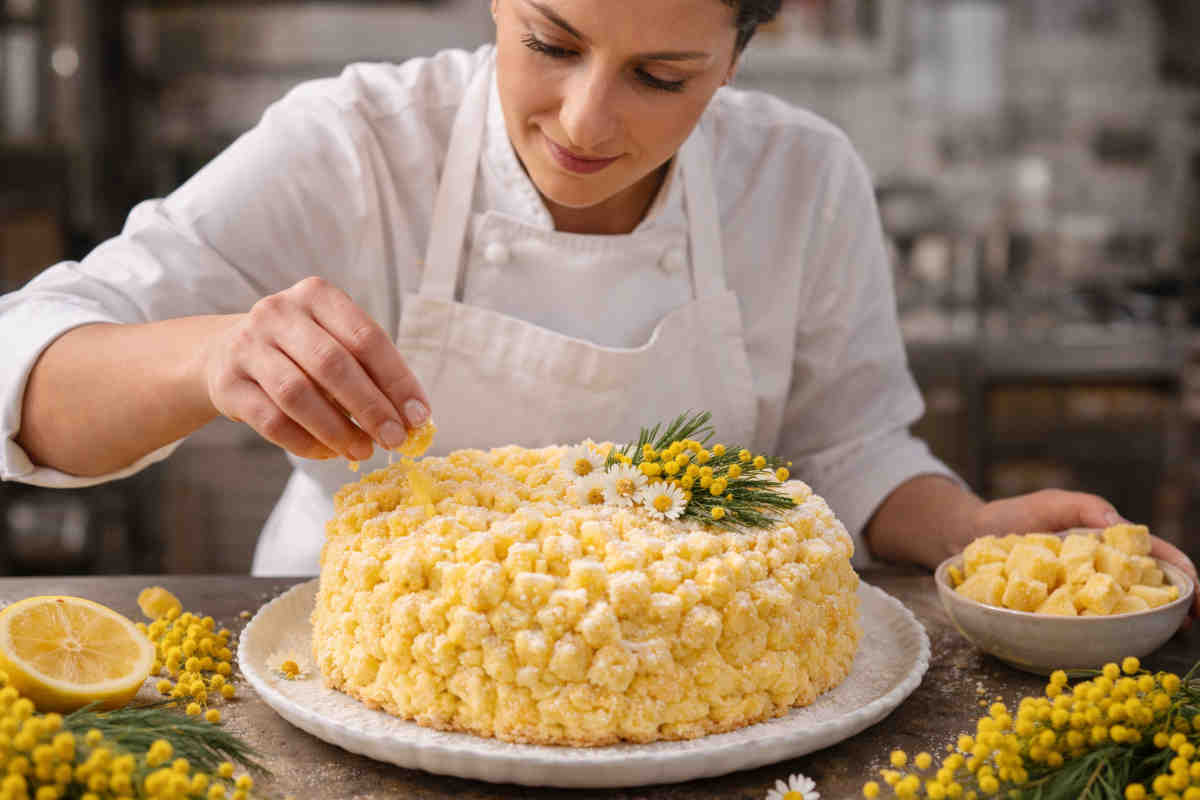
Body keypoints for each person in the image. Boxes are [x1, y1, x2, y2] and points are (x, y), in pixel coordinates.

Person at [0, 0, 1196, 616]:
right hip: (344, 686)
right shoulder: (356, 146)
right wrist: (213, 352)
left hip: (691, 710)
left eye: (661, 77)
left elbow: (850, 447)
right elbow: (24, 370)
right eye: (550, 43)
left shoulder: (801, 179)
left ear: (736, 55)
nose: (584, 121)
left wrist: (972, 532)